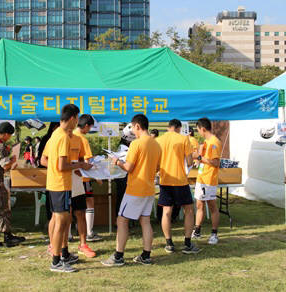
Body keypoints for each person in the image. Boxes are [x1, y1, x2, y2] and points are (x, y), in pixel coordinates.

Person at [102, 114, 161, 266]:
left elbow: (128, 167)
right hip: (149, 188)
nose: (132, 133)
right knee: (145, 221)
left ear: (137, 126)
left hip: (135, 188)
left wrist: (117, 161)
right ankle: (146, 255)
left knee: (121, 220)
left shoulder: (136, 144)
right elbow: (157, 168)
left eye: (133, 129)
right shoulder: (156, 144)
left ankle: (118, 256)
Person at [41, 104, 92, 273]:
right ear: (72, 118)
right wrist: (81, 164)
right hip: (61, 184)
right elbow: (62, 165)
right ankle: (56, 261)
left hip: (55, 184)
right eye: (77, 119)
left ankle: (62, 255)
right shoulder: (63, 137)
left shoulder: (55, 134)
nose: (77, 122)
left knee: (59, 220)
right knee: (61, 223)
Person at [156, 119, 200, 254]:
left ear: (169, 127)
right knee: (189, 210)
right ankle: (187, 243)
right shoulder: (184, 139)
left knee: (166, 212)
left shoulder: (159, 140)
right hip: (180, 180)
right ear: (178, 128)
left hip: (165, 179)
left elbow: (156, 163)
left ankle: (169, 243)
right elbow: (189, 160)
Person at [192, 118, 222, 245]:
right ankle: (197, 230)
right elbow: (204, 159)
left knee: (212, 206)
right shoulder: (206, 141)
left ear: (203, 129)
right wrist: (198, 161)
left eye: (198, 130)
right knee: (199, 204)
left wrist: (199, 158)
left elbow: (215, 162)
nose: (198, 133)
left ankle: (214, 233)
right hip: (201, 177)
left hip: (209, 179)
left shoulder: (214, 142)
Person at [73, 114, 103, 242]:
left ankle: (69, 234)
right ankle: (89, 232)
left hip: (72, 176)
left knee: (71, 207)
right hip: (84, 177)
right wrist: (97, 176)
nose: (89, 130)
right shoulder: (83, 139)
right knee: (89, 203)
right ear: (86, 126)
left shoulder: (71, 135)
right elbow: (87, 159)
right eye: (90, 128)